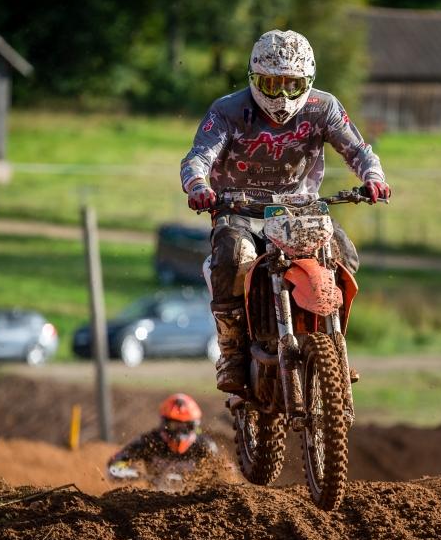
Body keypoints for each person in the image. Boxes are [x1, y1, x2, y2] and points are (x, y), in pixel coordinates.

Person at [180, 29, 390, 393]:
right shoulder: (228, 111)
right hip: (239, 208)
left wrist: (373, 177)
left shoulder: (323, 107)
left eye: (292, 85)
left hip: (301, 208)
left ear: (308, 82)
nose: (281, 96)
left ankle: (333, 341)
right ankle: (231, 350)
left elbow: (358, 150)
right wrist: (199, 186)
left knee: (344, 255)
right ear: (253, 78)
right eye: (271, 84)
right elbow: (197, 158)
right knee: (232, 257)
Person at [107, 393, 218, 480]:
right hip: (154, 499)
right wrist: (135, 474)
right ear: (164, 423)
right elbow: (115, 464)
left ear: (194, 426)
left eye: (186, 426)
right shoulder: (149, 442)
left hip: (196, 500)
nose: (179, 432)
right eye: (174, 425)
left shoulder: (205, 446)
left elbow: (220, 475)